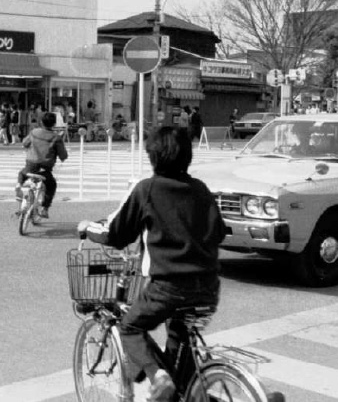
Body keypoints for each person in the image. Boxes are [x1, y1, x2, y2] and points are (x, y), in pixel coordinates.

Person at [77, 127, 226, 402]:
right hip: (208, 288)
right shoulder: (201, 190)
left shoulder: (147, 189)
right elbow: (219, 233)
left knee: (130, 327)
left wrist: (89, 229)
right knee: (180, 350)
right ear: (188, 156)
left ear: (153, 156)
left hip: (168, 287)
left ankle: (158, 377)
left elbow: (116, 233)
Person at [16, 111, 68, 219]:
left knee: (22, 173)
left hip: (31, 165)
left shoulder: (34, 132)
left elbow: (25, 143)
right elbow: (63, 155)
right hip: (45, 169)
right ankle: (45, 208)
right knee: (51, 185)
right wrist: (62, 157)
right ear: (54, 124)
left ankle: (19, 185)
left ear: (41, 122)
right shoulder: (56, 138)